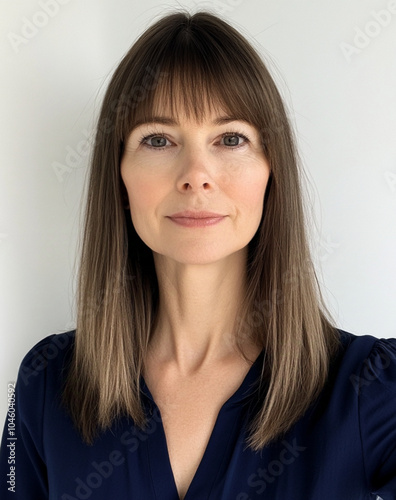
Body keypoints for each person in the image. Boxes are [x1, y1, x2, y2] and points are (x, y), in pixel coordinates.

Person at [1, 9, 395, 500]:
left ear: (272, 174)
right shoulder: (46, 387)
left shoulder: (373, 390)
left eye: (231, 139)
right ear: (119, 177)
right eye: (158, 140)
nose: (196, 174)